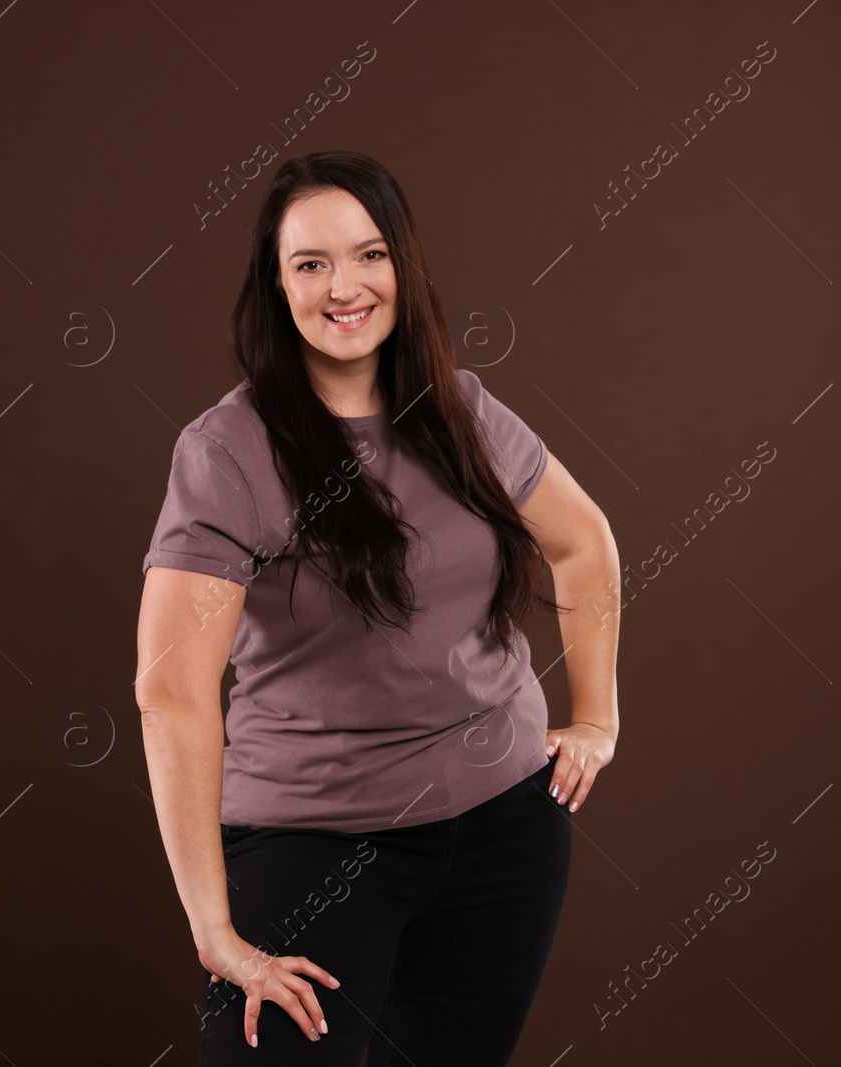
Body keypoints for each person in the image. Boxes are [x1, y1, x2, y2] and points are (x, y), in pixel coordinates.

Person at [135, 150, 621, 1065]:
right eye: (310, 264)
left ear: (403, 266)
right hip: (313, 850)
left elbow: (584, 542)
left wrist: (595, 718)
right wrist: (215, 929)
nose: (344, 287)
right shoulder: (227, 452)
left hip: (504, 835)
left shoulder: (457, 408)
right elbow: (172, 693)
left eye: (368, 255)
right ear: (277, 287)